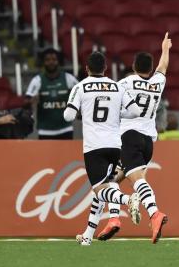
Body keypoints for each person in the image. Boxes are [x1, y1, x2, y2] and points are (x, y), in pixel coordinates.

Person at [86, 32, 172, 244]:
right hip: (148, 142)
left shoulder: (124, 83)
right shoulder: (157, 83)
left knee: (135, 182)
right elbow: (163, 68)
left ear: (133, 66)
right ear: (149, 69)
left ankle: (154, 214)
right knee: (111, 181)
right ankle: (112, 219)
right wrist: (165, 49)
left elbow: (110, 102)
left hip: (128, 138)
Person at [63, 51, 142, 245]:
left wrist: (81, 110)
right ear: (105, 68)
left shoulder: (80, 87)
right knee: (104, 187)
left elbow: (68, 116)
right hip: (115, 145)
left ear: (87, 69)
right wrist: (116, 115)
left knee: (99, 189)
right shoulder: (117, 87)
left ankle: (127, 200)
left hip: (94, 146)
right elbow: (135, 111)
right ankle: (88, 236)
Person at [26, 48, 78, 139]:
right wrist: (31, 102)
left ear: (58, 61)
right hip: (45, 130)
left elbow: (82, 93)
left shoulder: (68, 78)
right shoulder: (37, 80)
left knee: (66, 154)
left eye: (54, 60)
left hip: (66, 129)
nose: (51, 62)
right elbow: (26, 100)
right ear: (43, 62)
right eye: (47, 60)